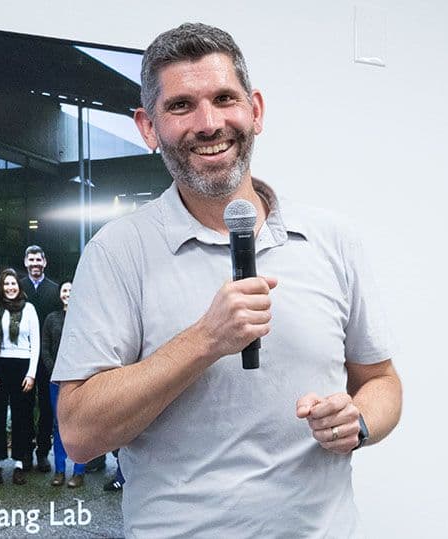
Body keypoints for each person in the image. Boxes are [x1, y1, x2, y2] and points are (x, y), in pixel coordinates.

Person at [52, 23, 402, 537]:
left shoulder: (332, 239)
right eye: (181, 106)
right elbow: (80, 434)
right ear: (147, 127)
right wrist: (204, 340)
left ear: (254, 110)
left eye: (224, 99)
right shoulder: (117, 252)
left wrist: (359, 420)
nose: (209, 123)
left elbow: (382, 382)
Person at [0, 268, 40, 485]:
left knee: (21, 417)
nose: (10, 287)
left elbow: (35, 344)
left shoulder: (29, 309)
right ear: (1, 287)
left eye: (13, 283)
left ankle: (18, 464)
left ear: (19, 286)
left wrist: (31, 374)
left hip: (22, 367)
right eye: (6, 284)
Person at [18, 245, 60, 471]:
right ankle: (25, 452)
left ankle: (43, 452)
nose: (35, 264)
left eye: (38, 260)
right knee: (24, 406)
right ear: (25, 262)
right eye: (31, 260)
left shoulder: (54, 290)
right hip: (23, 356)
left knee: (46, 407)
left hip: (47, 359)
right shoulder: (18, 287)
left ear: (45, 262)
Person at [41, 281, 85, 487]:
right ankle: (59, 470)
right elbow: (45, 347)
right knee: (59, 424)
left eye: (71, 290)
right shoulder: (52, 318)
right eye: (65, 290)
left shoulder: (86, 317)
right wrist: (55, 371)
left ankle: (79, 471)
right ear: (60, 294)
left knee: (79, 424)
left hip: (80, 379)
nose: (68, 293)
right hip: (57, 379)